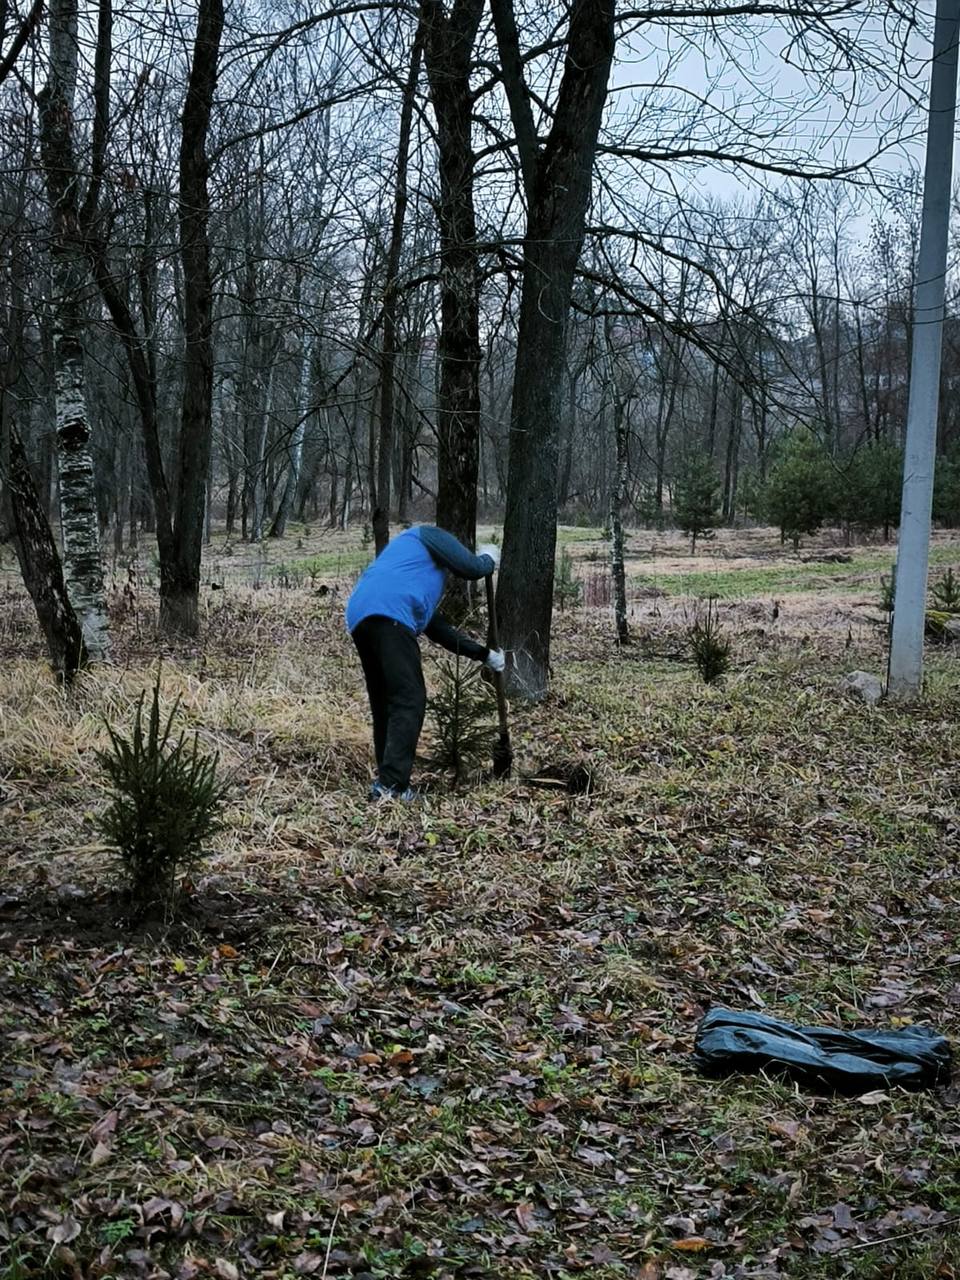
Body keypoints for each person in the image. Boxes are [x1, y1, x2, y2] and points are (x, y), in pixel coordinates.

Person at [345, 525, 505, 800]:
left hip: (361, 615)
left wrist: (483, 654)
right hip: (390, 615)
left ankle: (386, 781)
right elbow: (471, 567)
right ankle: (392, 787)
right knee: (409, 698)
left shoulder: (410, 576)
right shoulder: (429, 535)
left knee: (385, 702)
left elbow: (439, 630)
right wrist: (488, 560)